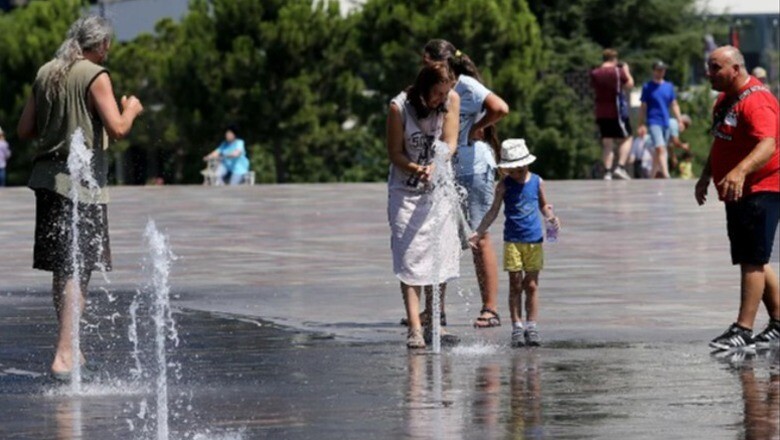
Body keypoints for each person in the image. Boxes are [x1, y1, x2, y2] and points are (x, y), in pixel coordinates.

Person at [17, 15, 143, 380]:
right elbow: (118, 129)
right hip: (82, 187)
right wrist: (131, 108)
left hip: (46, 181)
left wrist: (59, 118)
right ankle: (64, 354)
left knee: (63, 266)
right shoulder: (95, 75)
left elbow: (25, 129)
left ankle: (73, 350)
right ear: (101, 45)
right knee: (79, 268)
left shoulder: (46, 72)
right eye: (108, 47)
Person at [696, 45, 780, 351]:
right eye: (709, 67)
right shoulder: (724, 100)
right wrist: (706, 175)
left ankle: (743, 330)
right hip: (737, 189)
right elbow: (721, 141)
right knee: (753, 256)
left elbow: (767, 145)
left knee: (752, 259)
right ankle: (779, 324)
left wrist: (740, 171)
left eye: (716, 67)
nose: (710, 73)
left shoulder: (757, 100)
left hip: (762, 187)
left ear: (736, 69)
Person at [422, 39, 508, 329]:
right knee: (441, 237)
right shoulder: (435, 87)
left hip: (474, 167)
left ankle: (491, 309)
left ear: (441, 62)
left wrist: (475, 128)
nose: (424, 67)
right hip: (449, 167)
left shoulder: (466, 85)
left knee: (478, 237)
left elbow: (500, 107)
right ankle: (435, 310)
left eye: (428, 62)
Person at [387, 62, 461, 349]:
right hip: (405, 191)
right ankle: (414, 328)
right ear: (424, 89)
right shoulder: (399, 107)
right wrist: (417, 167)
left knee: (440, 255)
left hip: (439, 188)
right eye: (437, 94)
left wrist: (437, 162)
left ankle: (434, 321)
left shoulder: (451, 100)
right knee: (410, 257)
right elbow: (394, 153)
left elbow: (451, 142)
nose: (441, 100)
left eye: (446, 93)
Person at [469, 139, 560, 347]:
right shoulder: (504, 186)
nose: (516, 174)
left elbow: (544, 206)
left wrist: (551, 218)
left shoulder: (537, 181)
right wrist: (478, 232)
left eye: (518, 170)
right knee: (515, 284)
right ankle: (517, 326)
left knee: (532, 285)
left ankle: (532, 325)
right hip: (513, 241)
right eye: (511, 171)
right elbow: (493, 211)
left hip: (534, 240)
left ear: (526, 165)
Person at [590, 48, 634, 180]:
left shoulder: (595, 73)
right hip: (616, 111)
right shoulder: (617, 71)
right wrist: (626, 71)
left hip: (601, 111)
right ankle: (620, 167)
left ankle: (607, 172)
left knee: (607, 142)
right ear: (615, 59)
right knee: (628, 137)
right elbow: (629, 85)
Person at [637, 60, 683, 179]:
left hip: (665, 121)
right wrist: (641, 124)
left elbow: (674, 104)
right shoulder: (647, 87)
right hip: (653, 121)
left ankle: (652, 175)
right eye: (658, 70)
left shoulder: (669, 86)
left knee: (660, 150)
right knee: (660, 147)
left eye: (663, 70)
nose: (661, 72)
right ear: (654, 71)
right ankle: (666, 175)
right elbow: (643, 106)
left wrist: (679, 120)